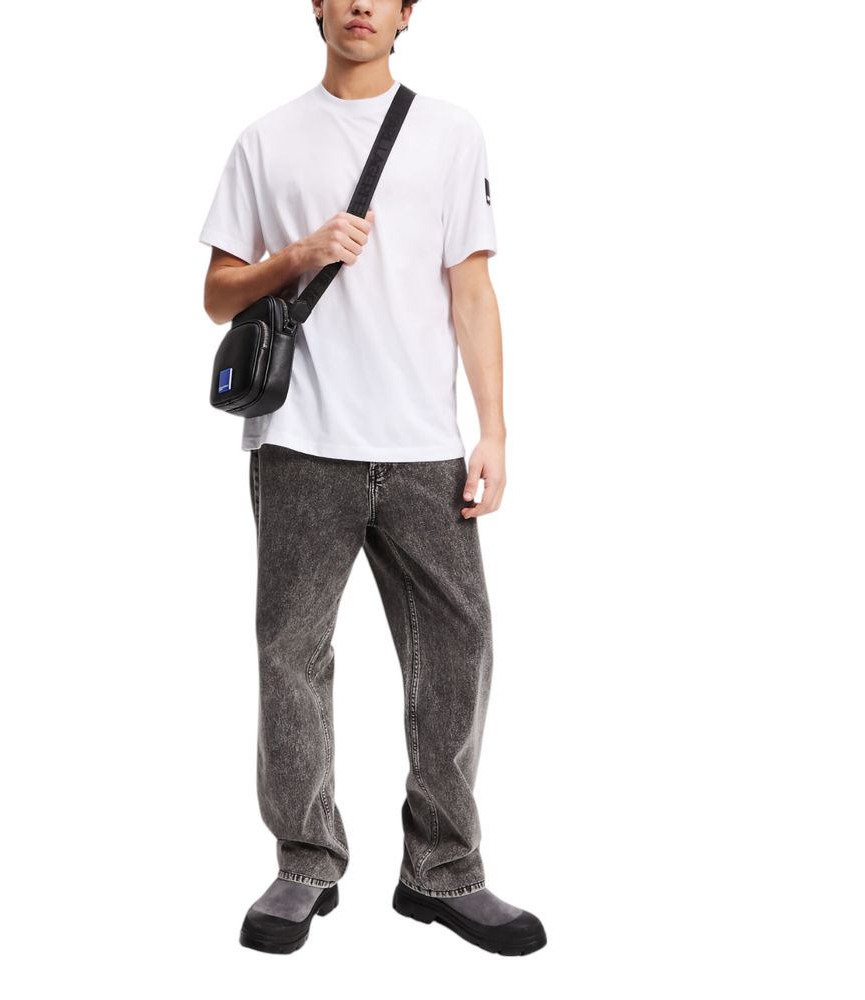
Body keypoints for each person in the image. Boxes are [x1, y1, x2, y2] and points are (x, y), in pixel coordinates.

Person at [198, 1, 546, 956]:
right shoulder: (265, 140)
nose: (361, 5)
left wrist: (493, 431)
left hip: (425, 446)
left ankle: (442, 871)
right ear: (315, 5)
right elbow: (217, 294)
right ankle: (305, 863)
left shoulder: (451, 132)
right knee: (291, 654)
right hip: (301, 443)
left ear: (406, 13)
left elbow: (472, 290)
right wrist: (299, 255)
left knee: (459, 649)